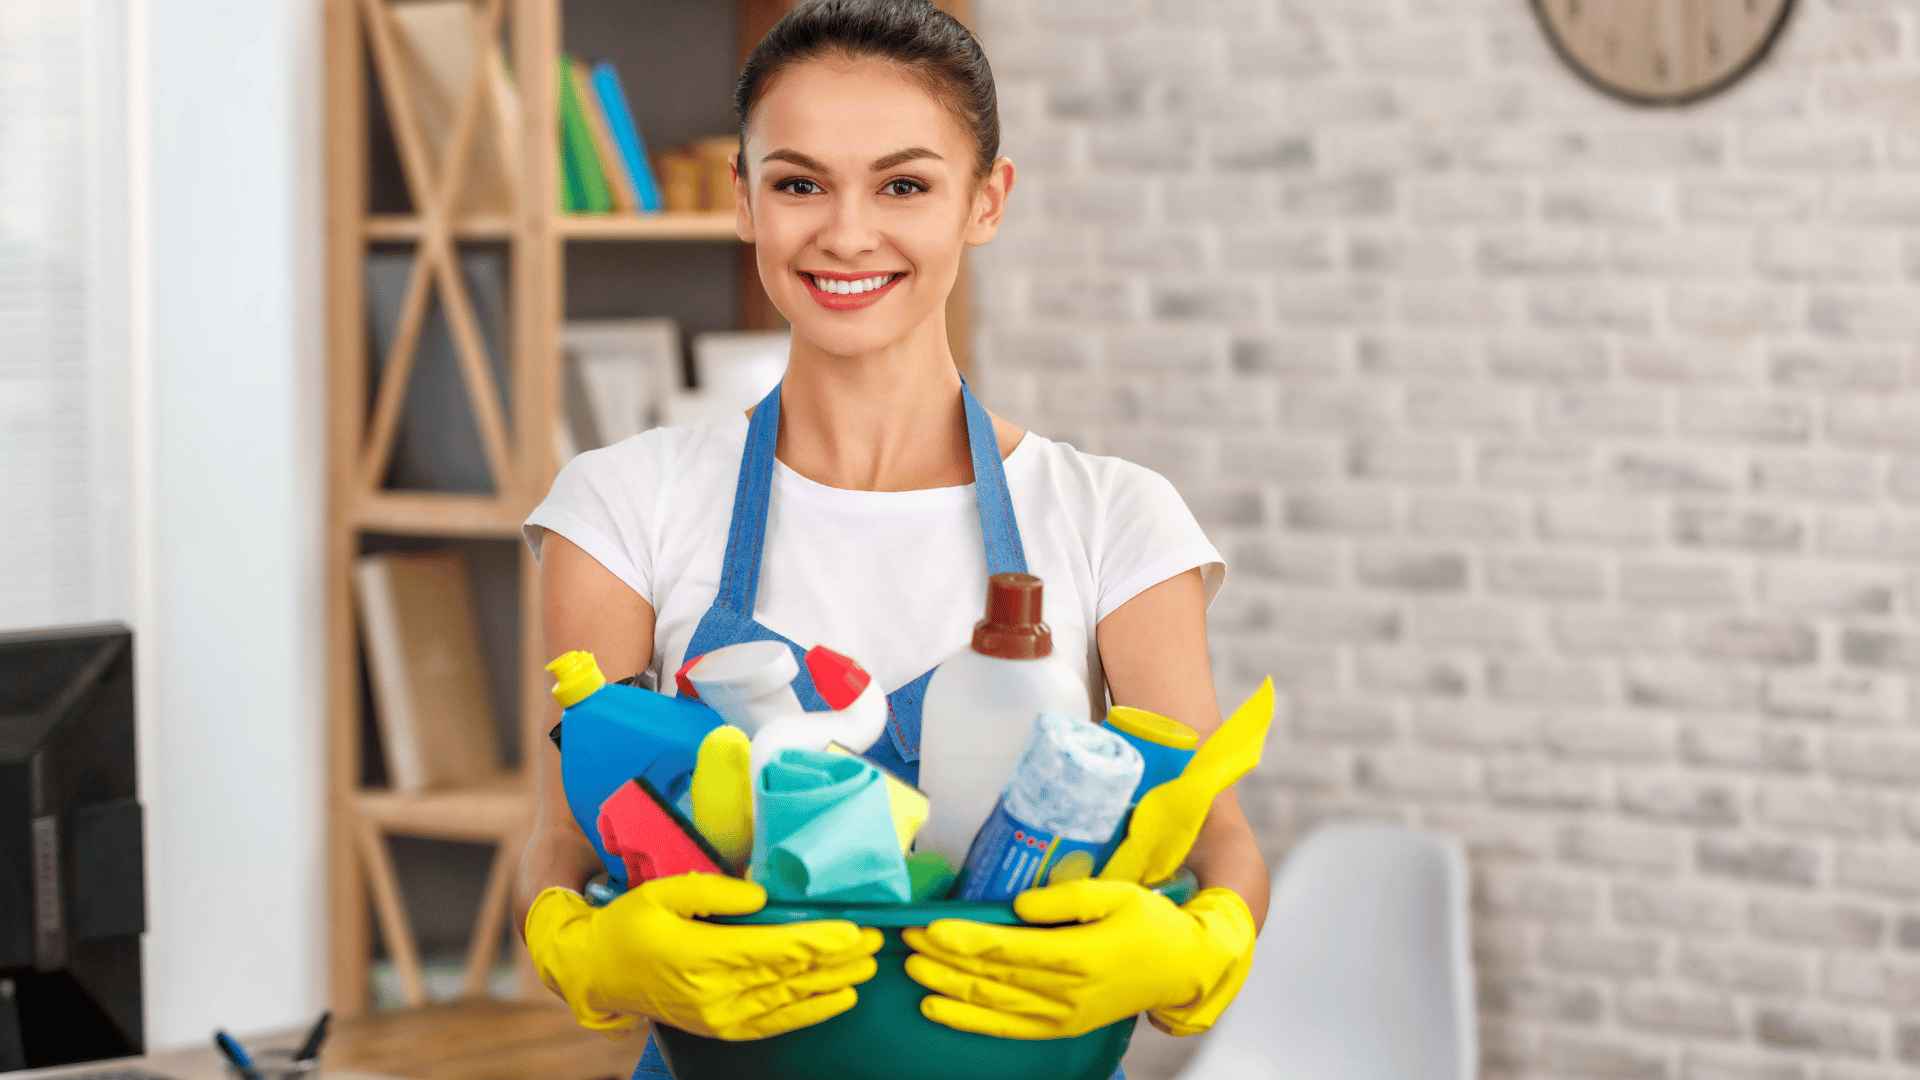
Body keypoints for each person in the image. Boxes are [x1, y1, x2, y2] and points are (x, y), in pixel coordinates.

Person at [513, 2, 1270, 1077]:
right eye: (798, 183)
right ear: (742, 199)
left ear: (987, 201)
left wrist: (1202, 945)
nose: (847, 233)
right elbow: (563, 847)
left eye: (904, 184)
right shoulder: (623, 506)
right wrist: (582, 948)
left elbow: (1217, 839)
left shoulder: (1113, 518)